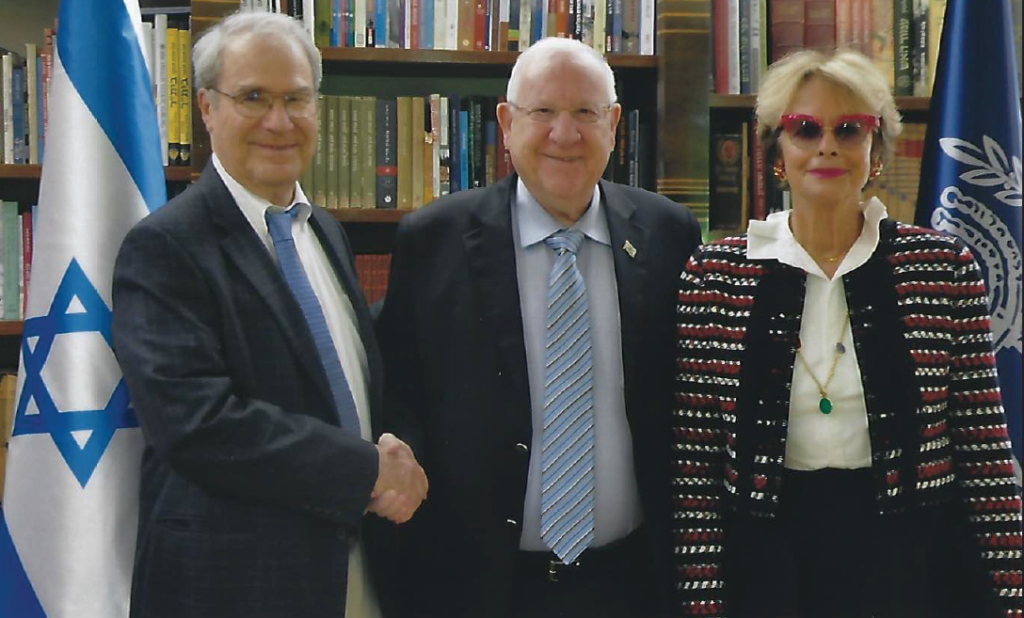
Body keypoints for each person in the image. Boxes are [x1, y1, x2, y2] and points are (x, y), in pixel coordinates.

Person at [672, 48, 1022, 618]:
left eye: (850, 129)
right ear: (777, 154)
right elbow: (694, 463)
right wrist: (702, 596)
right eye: (805, 129)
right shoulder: (716, 275)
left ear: (875, 152)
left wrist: (1011, 592)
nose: (827, 146)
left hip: (913, 562)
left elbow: (983, 446)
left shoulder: (942, 267)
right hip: (765, 565)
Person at [110, 11, 427, 618]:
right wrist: (366, 471)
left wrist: (396, 457)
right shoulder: (166, 247)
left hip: (352, 570)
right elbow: (197, 422)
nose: (279, 122)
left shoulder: (325, 232)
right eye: (253, 97)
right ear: (206, 107)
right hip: (234, 586)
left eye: (296, 99)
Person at [375, 37, 702, 618]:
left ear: (615, 125)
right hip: (479, 587)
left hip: (633, 583)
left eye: (585, 113)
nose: (564, 134)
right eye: (543, 112)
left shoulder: (668, 234)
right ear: (505, 123)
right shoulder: (433, 241)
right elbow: (401, 391)